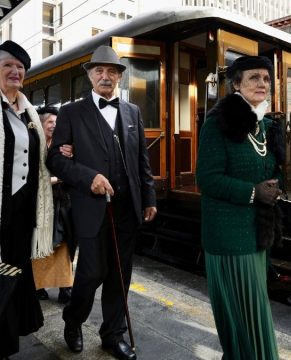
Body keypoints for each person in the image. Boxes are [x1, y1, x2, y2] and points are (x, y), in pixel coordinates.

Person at [46, 45, 157, 360]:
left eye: (112, 71)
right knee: (92, 272)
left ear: (120, 76)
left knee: (120, 275)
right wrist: (87, 177)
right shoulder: (70, 112)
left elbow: (141, 161)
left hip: (126, 208)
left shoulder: (133, 111)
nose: (105, 76)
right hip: (91, 208)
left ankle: (113, 335)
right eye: (99, 71)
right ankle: (73, 319)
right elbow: (56, 159)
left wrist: (148, 197)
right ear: (90, 76)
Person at [196, 56, 283, 360]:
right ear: (236, 84)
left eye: (267, 78)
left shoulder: (267, 126)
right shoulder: (216, 125)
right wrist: (253, 192)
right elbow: (207, 179)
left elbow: (270, 170)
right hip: (228, 238)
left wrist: (274, 187)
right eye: (254, 78)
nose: (262, 83)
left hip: (258, 235)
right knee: (249, 318)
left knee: (248, 318)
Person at [0, 41, 54, 358]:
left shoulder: (28, 111)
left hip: (23, 213)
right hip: (1, 209)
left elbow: (40, 159)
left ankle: (6, 344)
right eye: (8, 65)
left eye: (20, 67)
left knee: (13, 274)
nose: (15, 71)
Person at [32, 104, 74, 304]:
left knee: (64, 245)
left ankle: (66, 287)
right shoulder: (34, 143)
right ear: (41, 123)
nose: (54, 126)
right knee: (41, 245)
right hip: (39, 205)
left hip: (61, 203)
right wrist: (54, 179)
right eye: (50, 122)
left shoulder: (62, 145)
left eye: (56, 123)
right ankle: (38, 286)